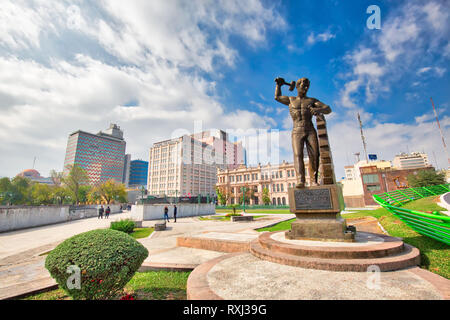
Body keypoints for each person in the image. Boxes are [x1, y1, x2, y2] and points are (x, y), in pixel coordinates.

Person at [274, 77, 331, 187]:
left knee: (315, 154)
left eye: (307, 86)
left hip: (310, 129)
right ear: (297, 86)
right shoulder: (291, 100)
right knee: (298, 154)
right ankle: (301, 180)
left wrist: (318, 110)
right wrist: (279, 85)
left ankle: (314, 180)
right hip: (297, 130)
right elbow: (277, 97)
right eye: (303, 85)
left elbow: (328, 108)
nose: (305, 87)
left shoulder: (312, 101)